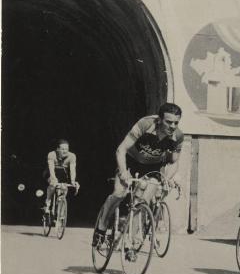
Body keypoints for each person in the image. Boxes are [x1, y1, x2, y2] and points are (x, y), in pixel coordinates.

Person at [92, 103, 184, 245]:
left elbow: (174, 161)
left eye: (176, 123)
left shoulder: (177, 136)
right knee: (119, 193)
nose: (172, 126)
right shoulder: (145, 124)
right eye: (169, 122)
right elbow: (121, 150)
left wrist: (168, 177)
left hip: (153, 167)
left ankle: (130, 241)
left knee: (142, 202)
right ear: (159, 120)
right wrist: (123, 172)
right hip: (131, 162)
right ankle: (102, 226)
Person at [44, 139, 79, 214]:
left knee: (64, 187)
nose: (65, 151)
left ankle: (60, 206)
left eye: (67, 149)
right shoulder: (51, 154)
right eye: (62, 149)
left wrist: (73, 181)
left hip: (63, 175)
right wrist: (53, 178)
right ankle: (48, 202)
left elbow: (72, 170)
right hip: (50, 173)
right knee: (53, 185)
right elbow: (51, 168)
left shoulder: (72, 156)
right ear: (57, 149)